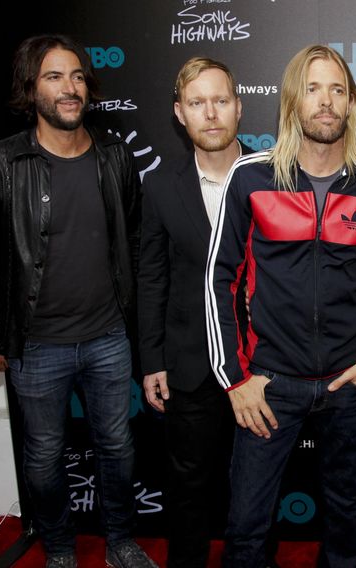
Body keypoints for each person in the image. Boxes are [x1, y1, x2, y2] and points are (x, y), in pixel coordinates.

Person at [205, 44, 356, 568]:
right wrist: (236, 379)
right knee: (246, 524)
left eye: (337, 90)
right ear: (293, 100)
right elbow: (220, 281)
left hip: (347, 385)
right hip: (269, 383)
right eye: (313, 89)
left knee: (345, 513)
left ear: (352, 104)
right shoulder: (250, 177)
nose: (326, 101)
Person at [0, 35, 155, 568]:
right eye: (53, 77)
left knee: (118, 446)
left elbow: (135, 241)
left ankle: (121, 542)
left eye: (76, 76)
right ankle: (61, 549)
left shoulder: (115, 155)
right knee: (44, 454)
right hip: (35, 345)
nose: (69, 88)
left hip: (109, 337)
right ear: (31, 89)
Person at [137, 57, 248, 568]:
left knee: (256, 486)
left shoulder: (274, 176)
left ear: (238, 107)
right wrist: (152, 360)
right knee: (188, 488)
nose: (210, 113)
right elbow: (152, 277)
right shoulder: (161, 186)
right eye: (197, 102)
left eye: (220, 100)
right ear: (179, 113)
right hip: (189, 363)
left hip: (260, 363)